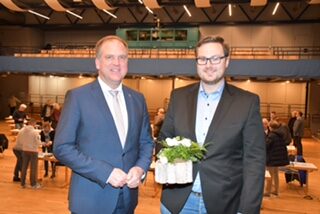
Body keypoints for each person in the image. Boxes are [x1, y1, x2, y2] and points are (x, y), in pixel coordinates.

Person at [158, 35, 266, 214]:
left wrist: (247, 209)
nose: (208, 65)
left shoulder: (247, 102)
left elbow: (254, 161)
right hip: (177, 203)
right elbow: (163, 140)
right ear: (196, 62)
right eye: (202, 59)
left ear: (227, 61)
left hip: (225, 204)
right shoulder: (178, 97)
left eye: (215, 58)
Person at [53, 35, 154, 214]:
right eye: (109, 57)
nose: (117, 62)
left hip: (128, 200)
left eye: (122, 57)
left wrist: (140, 169)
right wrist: (105, 173)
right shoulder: (78, 97)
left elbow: (146, 142)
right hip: (90, 201)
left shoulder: (138, 99)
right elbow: (62, 148)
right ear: (98, 62)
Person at [264, 120, 289, 197]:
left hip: (272, 158)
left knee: (269, 175)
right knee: (275, 175)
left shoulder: (271, 135)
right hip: (277, 158)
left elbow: (266, 146)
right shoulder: (280, 135)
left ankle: (267, 191)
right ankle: (276, 190)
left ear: (270, 127)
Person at [19, 118, 42, 189]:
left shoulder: (22, 130)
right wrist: (40, 144)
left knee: (24, 167)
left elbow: (20, 140)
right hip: (33, 151)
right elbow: (38, 143)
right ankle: (33, 184)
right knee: (33, 168)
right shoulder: (35, 132)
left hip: (25, 150)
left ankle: (22, 183)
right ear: (34, 124)